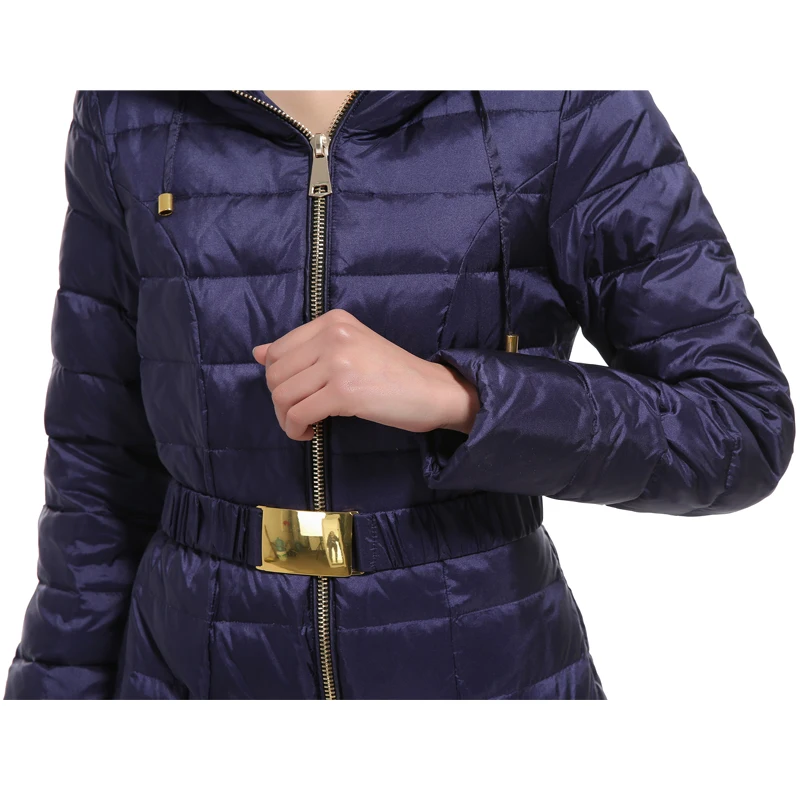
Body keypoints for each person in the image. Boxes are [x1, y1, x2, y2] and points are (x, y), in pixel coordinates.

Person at [3, 89, 795, 700]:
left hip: (489, 681)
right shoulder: (129, 106)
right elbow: (96, 471)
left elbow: (737, 423)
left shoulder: (562, 95)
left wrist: (463, 398)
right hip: (183, 678)